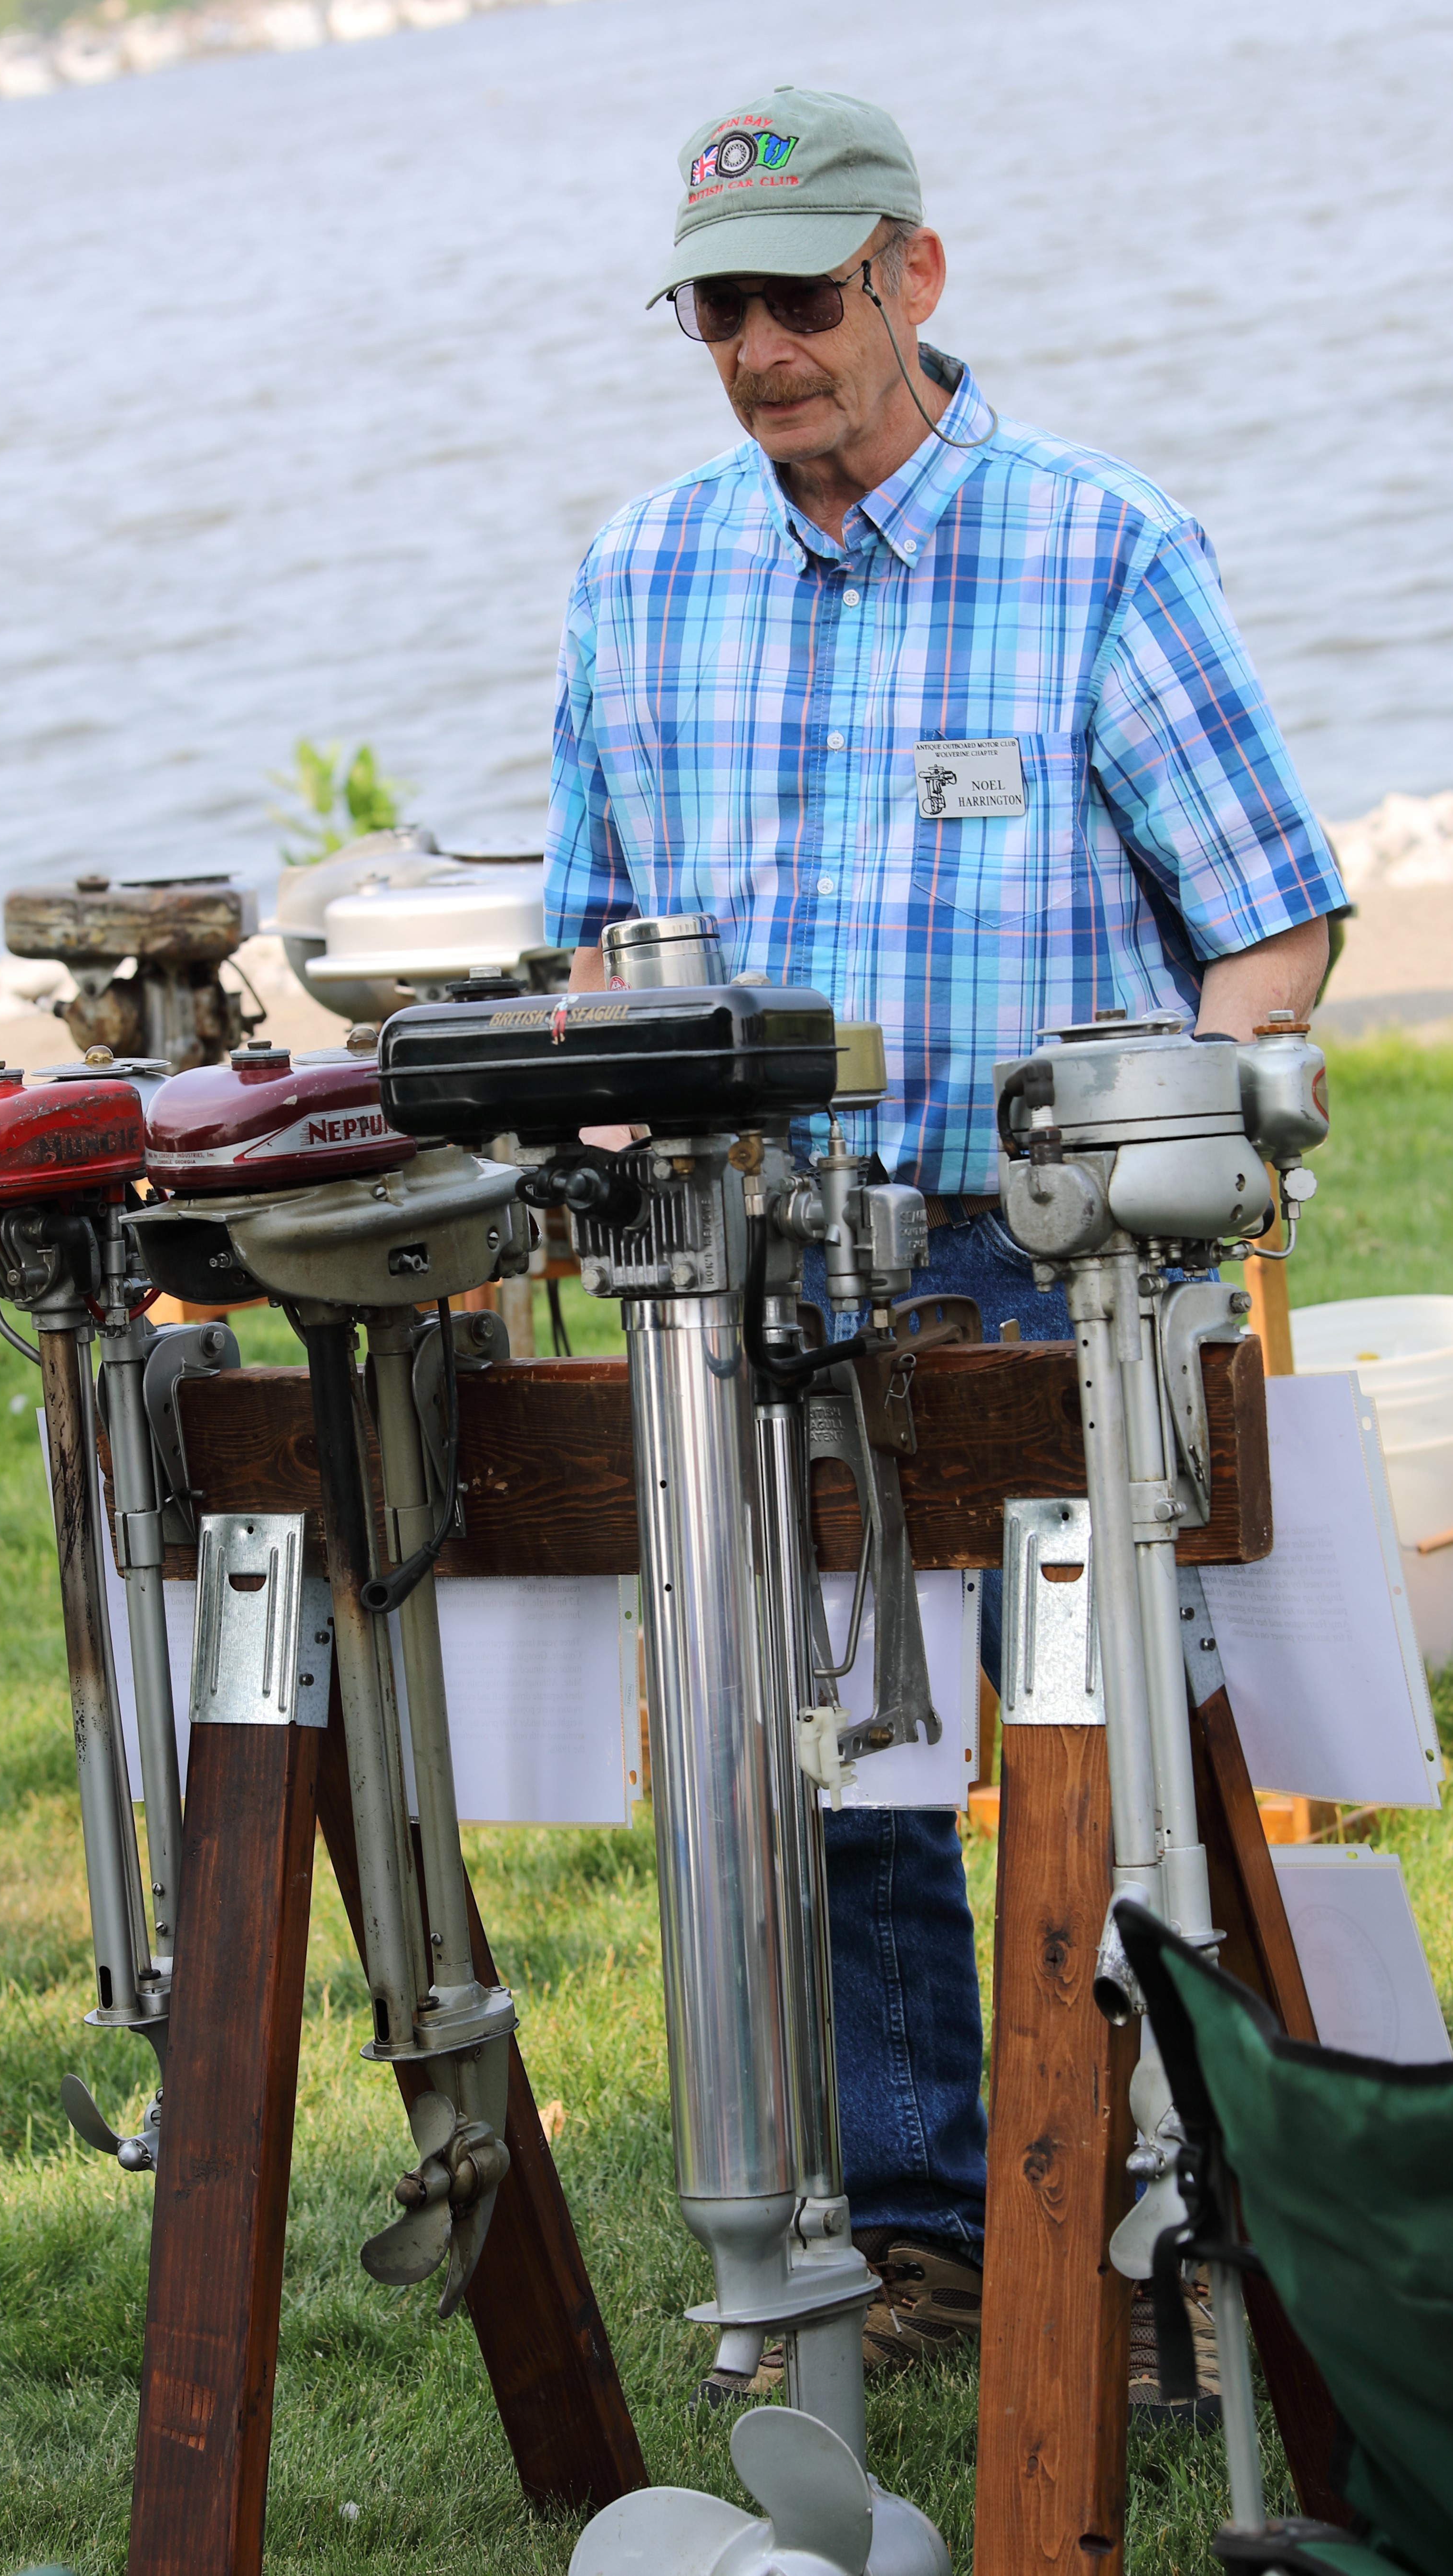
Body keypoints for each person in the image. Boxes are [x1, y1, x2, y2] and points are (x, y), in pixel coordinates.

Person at [542, 83, 1344, 2392]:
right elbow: (592, 951)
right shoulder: (636, 573)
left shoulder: (1097, 544)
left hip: (1044, 1248)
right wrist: (597, 1114)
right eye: (718, 310)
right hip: (753, 1268)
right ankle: (920, 2236)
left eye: (798, 299)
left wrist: (1179, 1158)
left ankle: (1175, 2220)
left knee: (1118, 1759)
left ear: (911, 273)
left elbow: (1267, 922)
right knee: (823, 1770)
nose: (759, 349)